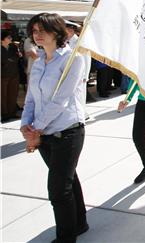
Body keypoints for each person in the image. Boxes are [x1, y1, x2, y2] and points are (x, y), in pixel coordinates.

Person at [20, 13, 89, 243]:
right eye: (34, 31)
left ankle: (66, 238)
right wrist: (25, 126)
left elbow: (61, 100)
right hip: (43, 135)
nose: (36, 35)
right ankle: (80, 222)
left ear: (57, 32)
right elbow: (31, 99)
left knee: (59, 190)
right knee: (68, 180)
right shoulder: (39, 63)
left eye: (41, 30)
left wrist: (35, 130)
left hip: (67, 131)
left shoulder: (73, 59)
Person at [2, 30, 22, 122]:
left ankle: (12, 112)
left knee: (13, 94)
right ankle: (4, 114)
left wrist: (18, 50)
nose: (11, 39)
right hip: (3, 75)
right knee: (3, 95)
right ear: (3, 39)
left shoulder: (13, 47)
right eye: (8, 37)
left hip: (14, 74)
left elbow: (18, 57)